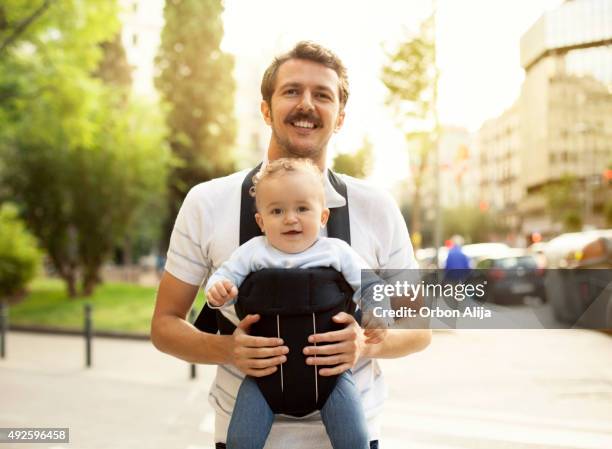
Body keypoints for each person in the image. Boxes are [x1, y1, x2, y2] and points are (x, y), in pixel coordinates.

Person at [151, 41, 432, 449]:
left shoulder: (377, 206)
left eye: (323, 95)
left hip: (353, 434)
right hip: (243, 433)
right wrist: (228, 348)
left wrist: (366, 343)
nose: (306, 104)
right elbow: (164, 326)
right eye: (291, 91)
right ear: (265, 109)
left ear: (339, 117)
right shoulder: (207, 201)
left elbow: (419, 328)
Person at [206, 158, 386, 449]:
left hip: (330, 378)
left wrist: (377, 314)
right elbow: (222, 277)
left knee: (355, 440)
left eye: (302, 208)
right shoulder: (252, 253)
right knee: (240, 441)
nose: (291, 218)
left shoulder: (337, 252)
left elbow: (371, 285)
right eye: (277, 210)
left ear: (323, 216)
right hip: (263, 379)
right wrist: (218, 291)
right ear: (261, 221)